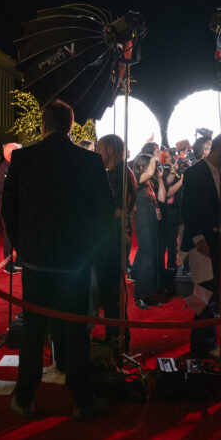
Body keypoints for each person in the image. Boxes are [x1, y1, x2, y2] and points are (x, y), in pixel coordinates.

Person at [2, 99, 114, 420]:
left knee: (35, 329)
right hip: (74, 262)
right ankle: (81, 400)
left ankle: (24, 398)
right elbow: (105, 212)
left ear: (43, 125)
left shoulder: (24, 158)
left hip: (36, 262)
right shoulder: (89, 161)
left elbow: (8, 208)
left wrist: (24, 246)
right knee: (77, 332)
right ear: (70, 126)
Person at [180, 132, 221, 355]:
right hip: (205, 243)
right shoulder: (195, 172)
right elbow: (188, 208)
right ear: (220, 150)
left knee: (215, 293)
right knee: (205, 295)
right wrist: (198, 238)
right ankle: (205, 344)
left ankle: (206, 342)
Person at [94, 134, 137, 349]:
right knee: (108, 294)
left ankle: (119, 341)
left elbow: (120, 210)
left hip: (116, 239)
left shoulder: (123, 176)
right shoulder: (113, 174)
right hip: (108, 239)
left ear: (109, 150)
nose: (97, 154)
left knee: (113, 294)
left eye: (99, 149)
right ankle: (112, 337)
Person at [130, 153, 167, 309]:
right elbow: (145, 173)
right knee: (147, 258)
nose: (156, 166)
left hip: (153, 222)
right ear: (142, 166)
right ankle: (140, 295)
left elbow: (162, 199)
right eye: (152, 163)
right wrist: (154, 162)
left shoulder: (149, 182)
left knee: (154, 258)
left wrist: (159, 179)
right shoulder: (136, 179)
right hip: (144, 222)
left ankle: (149, 293)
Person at [0, 142, 21, 271]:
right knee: (8, 235)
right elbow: (0, 187)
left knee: (17, 233)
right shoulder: (3, 168)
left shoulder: (15, 166)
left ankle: (17, 261)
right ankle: (8, 265)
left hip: (17, 204)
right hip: (7, 204)